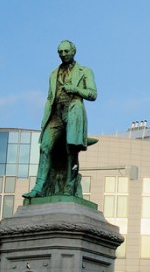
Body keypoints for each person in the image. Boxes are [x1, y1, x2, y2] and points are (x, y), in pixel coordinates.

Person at [24, 40, 97, 198]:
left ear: (73, 51)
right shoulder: (53, 74)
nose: (63, 54)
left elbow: (93, 94)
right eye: (60, 52)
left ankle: (69, 187)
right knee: (44, 147)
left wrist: (76, 89)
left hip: (73, 113)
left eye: (66, 51)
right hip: (55, 115)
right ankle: (39, 186)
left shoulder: (85, 71)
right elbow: (50, 97)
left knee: (72, 151)